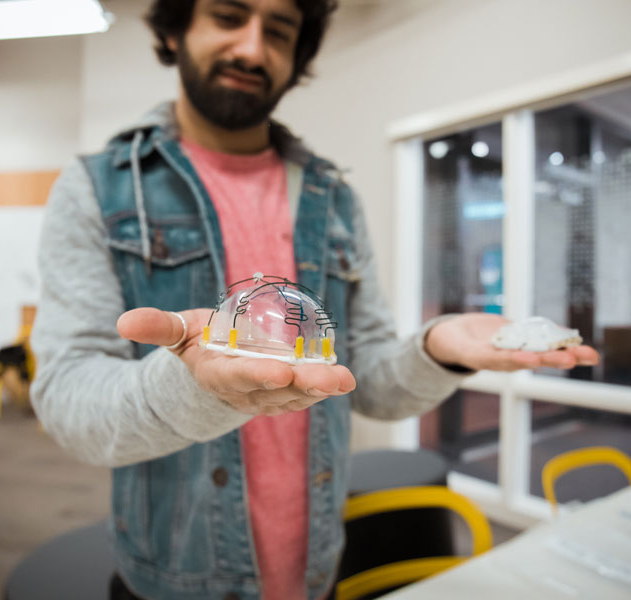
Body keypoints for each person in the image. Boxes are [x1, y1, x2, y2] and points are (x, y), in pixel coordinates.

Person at [30, 1, 599, 598]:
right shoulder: (98, 189)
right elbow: (68, 399)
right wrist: (192, 390)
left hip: (318, 572)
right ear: (175, 29)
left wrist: (436, 349)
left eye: (278, 31)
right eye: (228, 17)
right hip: (174, 579)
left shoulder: (335, 198)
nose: (252, 49)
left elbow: (367, 380)